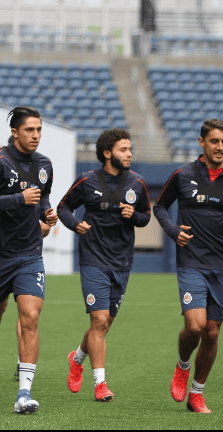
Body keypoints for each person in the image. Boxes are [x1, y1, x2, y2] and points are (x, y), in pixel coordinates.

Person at [154, 119, 223, 414]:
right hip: (191, 261)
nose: (220, 147)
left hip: (222, 264)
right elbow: (158, 207)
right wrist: (172, 231)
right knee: (195, 326)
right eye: (214, 141)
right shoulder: (183, 174)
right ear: (202, 143)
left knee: (212, 332)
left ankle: (197, 394)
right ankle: (183, 365)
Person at [0, 107, 58, 415]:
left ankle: (24, 392)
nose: (36, 135)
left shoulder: (44, 164)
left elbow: (42, 197)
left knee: (30, 317)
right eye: (30, 130)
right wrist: (19, 199)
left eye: (39, 130)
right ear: (16, 132)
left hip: (30, 254)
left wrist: (47, 212)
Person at [57, 129, 151, 402]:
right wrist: (76, 224)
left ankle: (77, 359)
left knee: (104, 324)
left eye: (130, 149)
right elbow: (64, 207)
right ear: (108, 153)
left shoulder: (138, 183)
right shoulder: (87, 180)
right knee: (98, 320)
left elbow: (146, 217)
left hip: (122, 261)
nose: (129, 154)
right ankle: (101, 384)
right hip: (93, 259)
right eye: (124, 149)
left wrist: (135, 215)